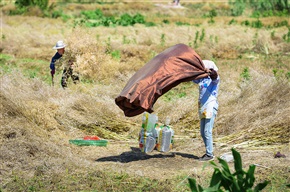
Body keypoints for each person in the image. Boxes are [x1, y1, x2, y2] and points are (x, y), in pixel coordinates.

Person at [192, 60, 220, 161]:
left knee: (207, 131)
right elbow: (192, 77)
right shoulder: (202, 79)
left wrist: (210, 72)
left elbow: (215, 77)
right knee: (202, 132)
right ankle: (208, 152)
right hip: (203, 107)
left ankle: (210, 154)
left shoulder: (213, 79)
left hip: (210, 106)